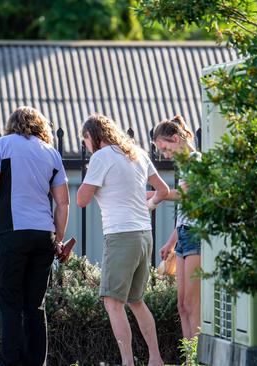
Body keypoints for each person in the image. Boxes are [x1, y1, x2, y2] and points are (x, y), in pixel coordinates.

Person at [0, 106, 70, 366]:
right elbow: (63, 203)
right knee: (35, 306)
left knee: (9, 304)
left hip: (11, 234)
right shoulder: (51, 153)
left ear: (11, 125)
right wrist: (58, 239)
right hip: (43, 235)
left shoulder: (2, 145)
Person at [77, 114, 169, 366]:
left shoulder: (100, 157)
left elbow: (81, 200)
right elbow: (163, 191)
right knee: (136, 300)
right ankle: (156, 359)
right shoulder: (137, 153)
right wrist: (147, 207)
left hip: (120, 236)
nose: (85, 146)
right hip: (143, 234)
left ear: (93, 136)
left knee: (112, 302)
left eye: (85, 140)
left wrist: (91, 180)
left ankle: (128, 363)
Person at [151, 115, 202, 339]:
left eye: (165, 148)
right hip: (183, 236)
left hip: (196, 236)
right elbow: (186, 208)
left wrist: (156, 194)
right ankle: (189, 359)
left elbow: (185, 195)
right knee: (181, 305)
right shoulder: (185, 166)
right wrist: (171, 242)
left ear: (175, 138)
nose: (165, 155)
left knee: (192, 303)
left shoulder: (196, 160)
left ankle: (198, 357)